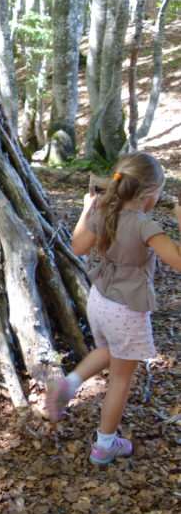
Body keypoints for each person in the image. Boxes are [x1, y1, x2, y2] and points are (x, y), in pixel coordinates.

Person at [46, 152, 181, 464]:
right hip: (127, 310)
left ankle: (68, 384)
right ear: (149, 193)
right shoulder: (145, 226)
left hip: (100, 301)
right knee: (120, 379)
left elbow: (77, 247)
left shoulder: (106, 212)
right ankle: (105, 445)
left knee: (107, 349)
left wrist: (87, 210)